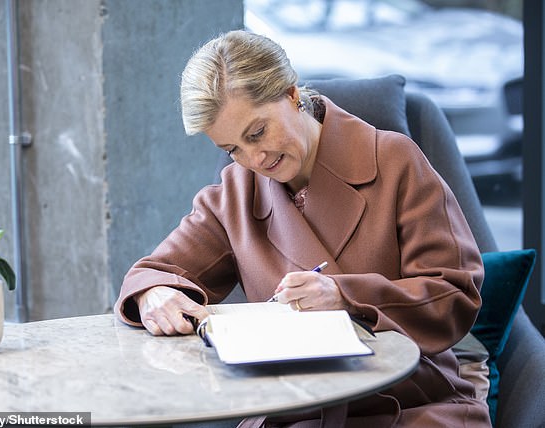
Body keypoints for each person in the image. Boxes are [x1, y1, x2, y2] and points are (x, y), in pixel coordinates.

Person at [114, 30, 491, 427]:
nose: (254, 158)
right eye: (232, 149)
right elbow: (152, 271)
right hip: (292, 411)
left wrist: (345, 296)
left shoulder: (396, 161)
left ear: (292, 94)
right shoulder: (234, 194)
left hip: (412, 402)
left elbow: (454, 294)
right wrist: (155, 292)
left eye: (257, 132)